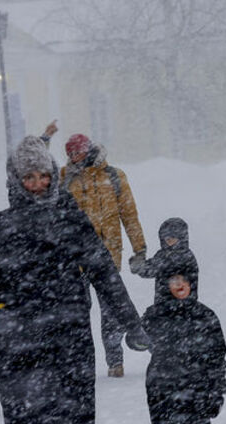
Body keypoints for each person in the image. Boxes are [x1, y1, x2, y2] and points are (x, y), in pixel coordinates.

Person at [0, 136, 150, 424]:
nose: (38, 184)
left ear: (53, 176)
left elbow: (104, 273)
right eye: (29, 177)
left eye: (43, 176)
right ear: (16, 181)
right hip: (17, 339)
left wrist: (131, 323)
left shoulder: (70, 220)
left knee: (68, 417)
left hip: (68, 335)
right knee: (26, 420)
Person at [58, 131, 147, 378]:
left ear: (88, 150)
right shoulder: (64, 178)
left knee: (111, 311)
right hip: (74, 258)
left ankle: (115, 362)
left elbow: (129, 215)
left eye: (77, 151)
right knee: (77, 313)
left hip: (107, 255)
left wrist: (139, 249)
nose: (74, 157)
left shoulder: (114, 176)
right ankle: (79, 364)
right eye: (70, 153)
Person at [141, 267, 226, 424]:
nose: (180, 285)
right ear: (165, 286)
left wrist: (217, 391)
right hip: (163, 389)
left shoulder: (205, 315)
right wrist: (135, 337)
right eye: (173, 280)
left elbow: (218, 356)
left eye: (184, 280)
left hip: (197, 389)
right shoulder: (155, 314)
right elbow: (136, 339)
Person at [137, 217, 199, 304]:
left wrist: (140, 267)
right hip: (163, 304)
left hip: (181, 305)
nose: (169, 240)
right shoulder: (163, 253)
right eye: (166, 237)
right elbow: (151, 267)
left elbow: (154, 269)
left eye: (173, 237)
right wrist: (139, 264)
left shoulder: (184, 256)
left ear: (181, 238)